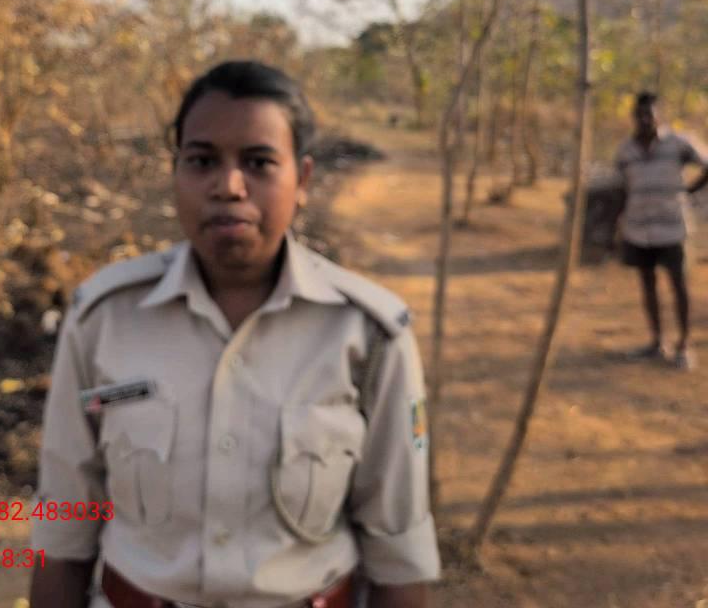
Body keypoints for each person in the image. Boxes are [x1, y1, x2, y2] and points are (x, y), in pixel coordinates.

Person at [29, 60, 440, 608]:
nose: (228, 186)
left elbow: (398, 548)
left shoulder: (368, 333)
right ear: (176, 173)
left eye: (259, 162)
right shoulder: (103, 320)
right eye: (202, 161)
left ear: (303, 181)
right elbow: (62, 524)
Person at [615, 91, 708, 370]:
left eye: (650, 115)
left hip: (672, 228)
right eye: (641, 115)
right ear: (634, 117)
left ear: (658, 116)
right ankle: (657, 341)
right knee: (648, 285)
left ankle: (683, 345)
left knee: (679, 285)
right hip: (638, 229)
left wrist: (690, 190)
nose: (646, 120)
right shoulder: (625, 150)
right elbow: (621, 188)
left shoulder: (678, 144)